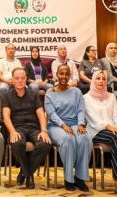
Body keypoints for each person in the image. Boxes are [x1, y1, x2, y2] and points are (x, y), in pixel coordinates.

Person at [44, 64, 91, 192]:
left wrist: (81, 124)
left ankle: (80, 177)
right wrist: (63, 125)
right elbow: (51, 114)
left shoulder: (76, 91)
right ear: (56, 75)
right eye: (61, 73)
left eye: (66, 74)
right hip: (56, 125)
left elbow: (81, 109)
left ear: (70, 75)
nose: (64, 76)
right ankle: (68, 178)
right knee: (68, 139)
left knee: (84, 139)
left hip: (75, 123)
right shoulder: (50, 93)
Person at [2, 68, 51, 189]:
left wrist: (44, 131)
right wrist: (12, 131)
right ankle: (29, 175)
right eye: (17, 78)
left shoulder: (33, 95)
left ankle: (24, 172)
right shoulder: (7, 96)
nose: (20, 81)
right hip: (18, 128)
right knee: (16, 143)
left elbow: (41, 113)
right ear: (12, 80)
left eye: (22, 78)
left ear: (26, 79)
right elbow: (6, 117)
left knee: (45, 144)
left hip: (34, 128)